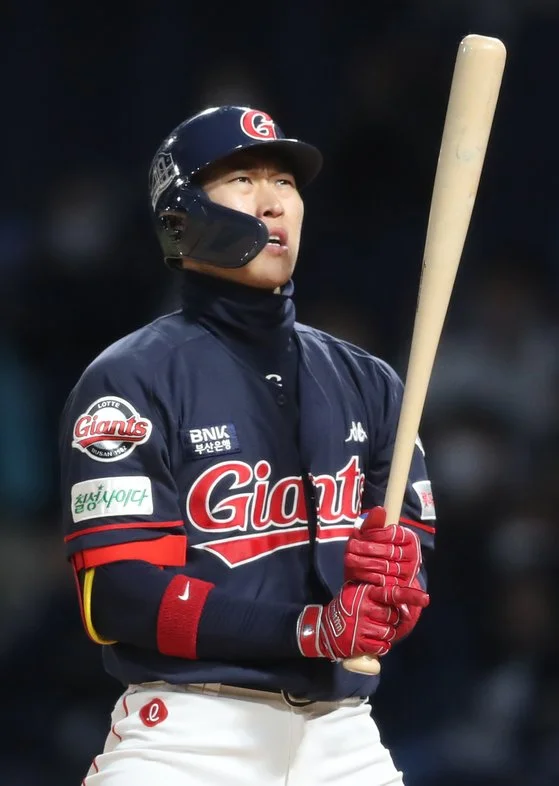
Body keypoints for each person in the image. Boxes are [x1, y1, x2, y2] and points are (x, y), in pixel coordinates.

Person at [59, 105, 436, 786]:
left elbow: (404, 571)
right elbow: (119, 595)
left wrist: (394, 587)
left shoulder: (370, 382)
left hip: (343, 734)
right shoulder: (129, 379)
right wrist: (307, 629)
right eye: (242, 179)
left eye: (284, 182)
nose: (272, 202)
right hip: (188, 735)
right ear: (180, 216)